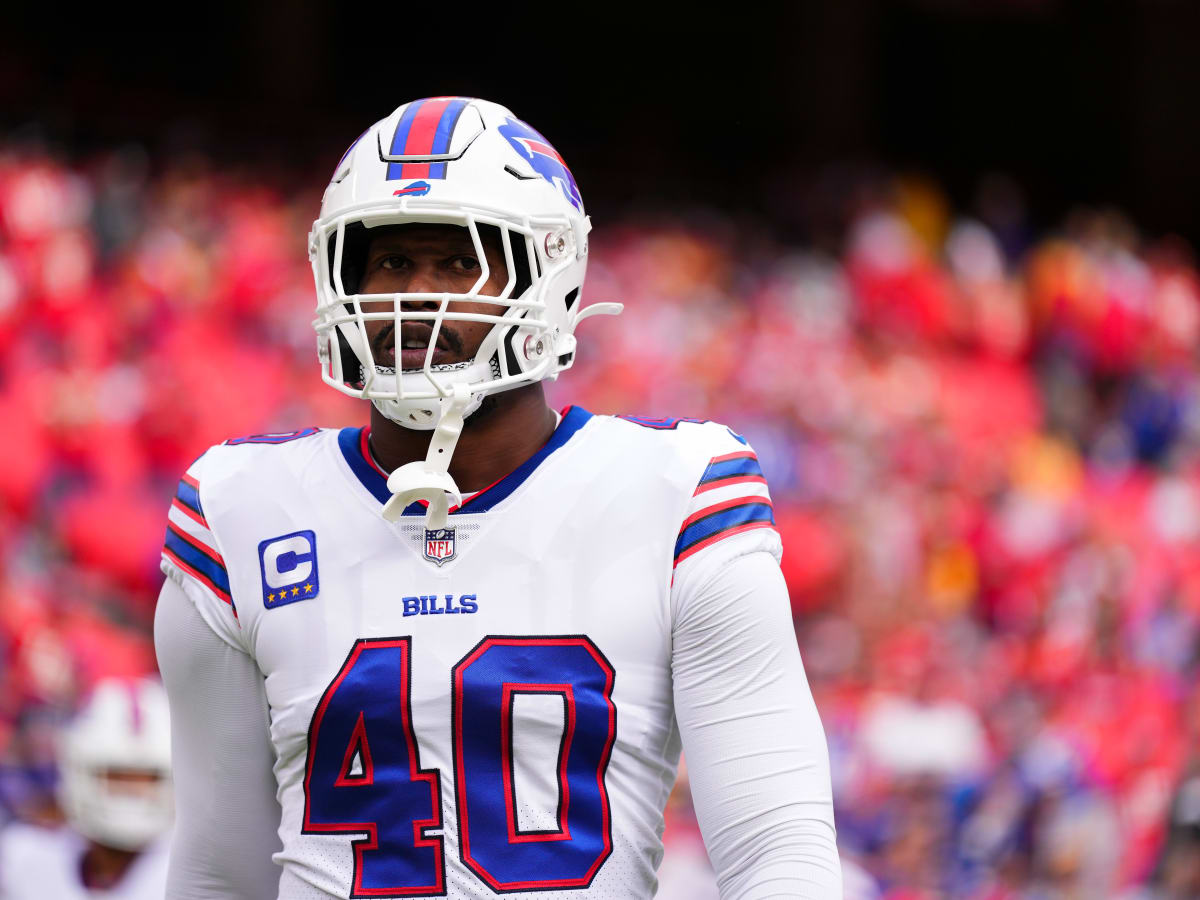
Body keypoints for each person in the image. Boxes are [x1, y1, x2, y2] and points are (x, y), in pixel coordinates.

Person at [154, 96, 841, 898]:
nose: (415, 296)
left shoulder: (676, 493)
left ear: (549, 279)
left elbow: (778, 852)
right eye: (389, 263)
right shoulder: (241, 508)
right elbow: (218, 871)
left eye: (459, 262)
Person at [0, 677, 172, 898]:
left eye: (147, 779)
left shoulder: (195, 873)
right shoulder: (24, 857)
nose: (132, 792)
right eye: (115, 776)